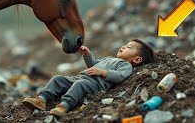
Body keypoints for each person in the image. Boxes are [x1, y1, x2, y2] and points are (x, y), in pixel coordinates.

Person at [22, 39, 156, 117]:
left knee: (80, 85)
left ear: (137, 59)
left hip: (95, 85)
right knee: (58, 79)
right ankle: (42, 99)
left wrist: (103, 73)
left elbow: (120, 76)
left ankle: (64, 106)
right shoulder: (109, 59)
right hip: (80, 77)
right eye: (125, 45)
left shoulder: (126, 65)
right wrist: (88, 55)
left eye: (129, 47)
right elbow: (94, 64)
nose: (123, 47)